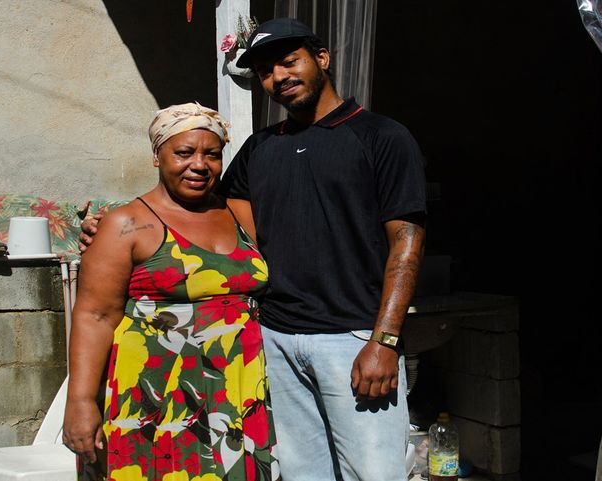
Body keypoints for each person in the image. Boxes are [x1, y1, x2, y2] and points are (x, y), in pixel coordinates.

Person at [81, 18, 426, 481]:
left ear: (321, 59)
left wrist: (383, 340)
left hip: (354, 339)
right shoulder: (259, 150)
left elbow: (406, 243)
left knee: (373, 473)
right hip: (275, 343)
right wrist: (110, 227)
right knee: (304, 475)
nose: (278, 77)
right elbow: (198, 208)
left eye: (289, 61)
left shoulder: (382, 137)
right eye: (265, 70)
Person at [63, 102, 280, 481]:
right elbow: (95, 316)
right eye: (184, 152)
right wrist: (80, 401)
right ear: (157, 156)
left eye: (212, 154)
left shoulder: (240, 213)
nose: (199, 164)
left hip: (238, 390)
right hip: (158, 393)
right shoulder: (126, 224)